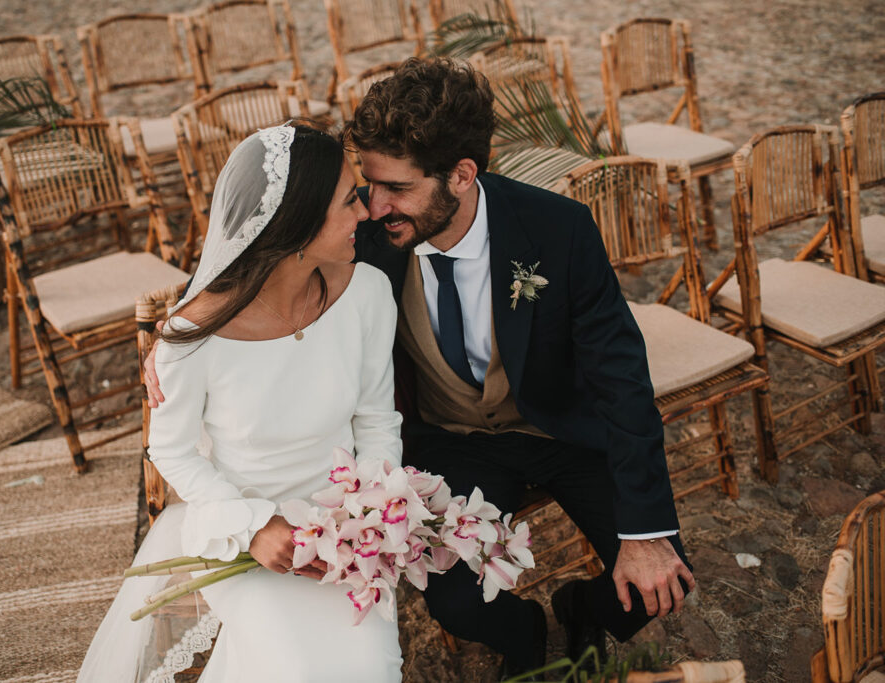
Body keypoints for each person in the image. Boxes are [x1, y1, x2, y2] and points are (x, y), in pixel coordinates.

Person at [147, 58, 697, 679]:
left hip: (557, 430)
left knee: (660, 583)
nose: (375, 207)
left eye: (397, 189)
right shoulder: (361, 242)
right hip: (450, 441)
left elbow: (621, 378)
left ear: (461, 175)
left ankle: (579, 606)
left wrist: (645, 533)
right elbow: (267, 231)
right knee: (457, 601)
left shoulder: (558, 230)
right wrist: (176, 333)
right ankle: (525, 631)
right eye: (367, 187)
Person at [78, 124, 404, 682]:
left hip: (345, 534)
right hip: (238, 535)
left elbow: (376, 420)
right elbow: (171, 451)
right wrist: (253, 525)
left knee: (371, 667)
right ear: (297, 222)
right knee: (295, 670)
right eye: (350, 199)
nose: (367, 213)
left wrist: (373, 516)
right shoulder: (192, 338)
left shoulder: (368, 293)